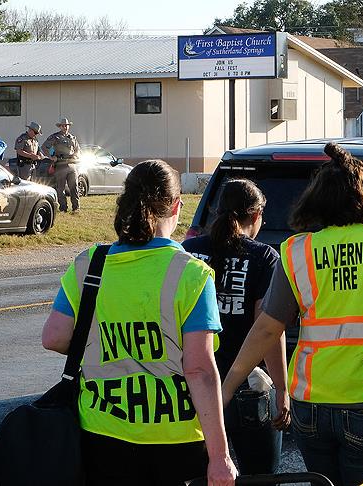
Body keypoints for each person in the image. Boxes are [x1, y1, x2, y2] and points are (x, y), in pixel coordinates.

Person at [221, 142, 363, 486]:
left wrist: (226, 388)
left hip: (311, 404)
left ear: (317, 199)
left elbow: (267, 328)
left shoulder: (298, 251)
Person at [41, 160, 237, 486]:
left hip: (103, 431)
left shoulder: (90, 264)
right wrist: (220, 457)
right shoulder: (191, 274)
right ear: (176, 206)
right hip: (176, 438)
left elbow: (54, 337)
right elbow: (199, 370)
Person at [182, 179, 289, 475]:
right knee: (260, 477)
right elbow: (268, 330)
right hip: (247, 389)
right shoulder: (263, 257)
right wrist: (281, 388)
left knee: (203, 475)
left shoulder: (187, 251)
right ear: (256, 217)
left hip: (192, 387)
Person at [42, 117, 81, 213]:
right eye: (63, 126)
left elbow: (78, 150)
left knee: (74, 186)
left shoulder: (72, 137)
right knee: (61, 188)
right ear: (60, 127)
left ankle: (76, 207)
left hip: (72, 164)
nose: (65, 127)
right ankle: (63, 207)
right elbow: (44, 147)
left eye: (67, 126)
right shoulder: (55, 137)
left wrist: (76, 156)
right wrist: (51, 157)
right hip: (60, 164)